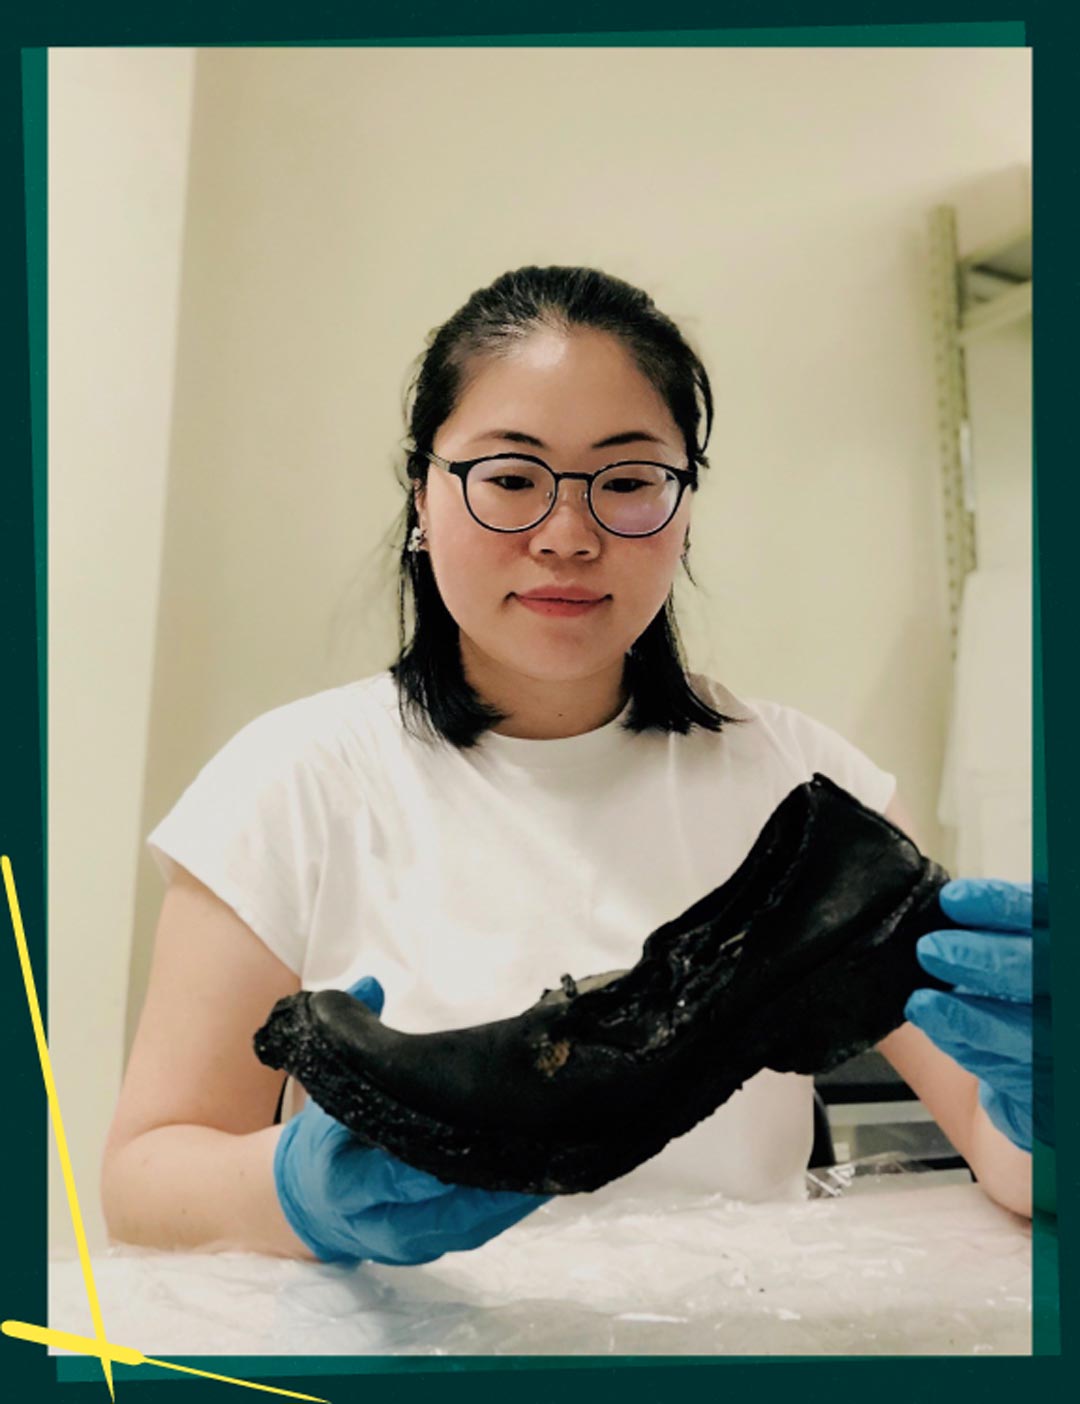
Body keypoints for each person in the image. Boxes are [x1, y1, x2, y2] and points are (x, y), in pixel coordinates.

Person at [101, 266, 1035, 1268]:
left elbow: (1004, 1157)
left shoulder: (809, 790)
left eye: (628, 482)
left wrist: (1044, 1112)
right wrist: (294, 1190)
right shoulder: (291, 780)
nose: (567, 536)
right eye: (510, 478)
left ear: (683, 510)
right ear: (423, 494)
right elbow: (145, 1176)